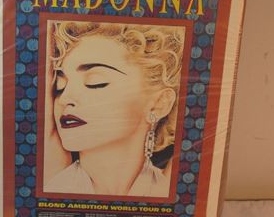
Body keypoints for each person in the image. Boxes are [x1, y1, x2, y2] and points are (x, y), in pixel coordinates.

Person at [43, 20, 185, 197]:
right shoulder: (51, 183)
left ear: (159, 103)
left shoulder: (171, 190)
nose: (64, 98)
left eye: (95, 82)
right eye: (60, 85)